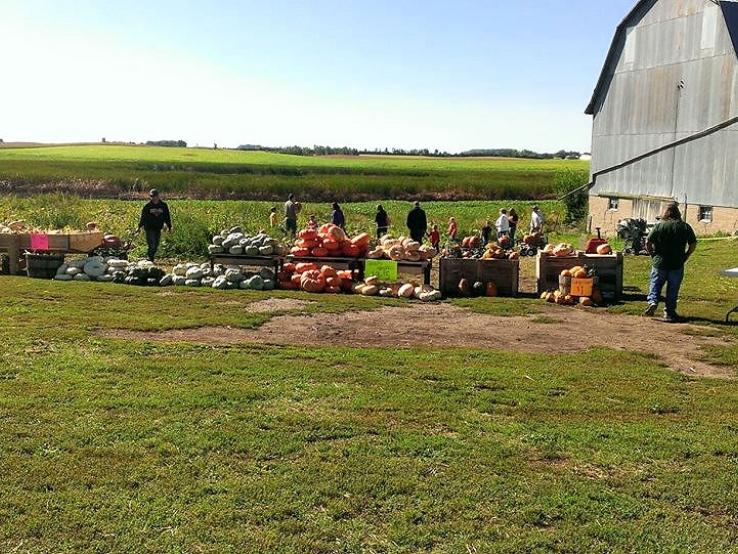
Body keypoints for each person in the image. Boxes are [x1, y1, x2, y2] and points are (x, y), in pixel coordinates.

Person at [643, 203, 697, 323]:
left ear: (665, 213)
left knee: (655, 284)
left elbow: (648, 242)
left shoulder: (659, 226)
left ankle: (653, 302)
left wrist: (652, 254)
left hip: (659, 262)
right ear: (678, 213)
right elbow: (693, 244)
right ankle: (669, 312)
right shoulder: (685, 227)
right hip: (677, 263)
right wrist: (686, 255)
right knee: (673, 289)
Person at [137, 188, 171, 262]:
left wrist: (169, 226)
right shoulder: (147, 206)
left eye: (155, 196)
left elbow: (167, 217)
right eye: (152, 196)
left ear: (158, 196)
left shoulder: (163, 205)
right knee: (151, 244)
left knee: (156, 245)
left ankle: (151, 257)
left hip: (158, 228)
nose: (154, 198)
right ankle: (150, 258)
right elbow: (143, 217)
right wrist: (139, 227)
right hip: (149, 228)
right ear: (150, 197)